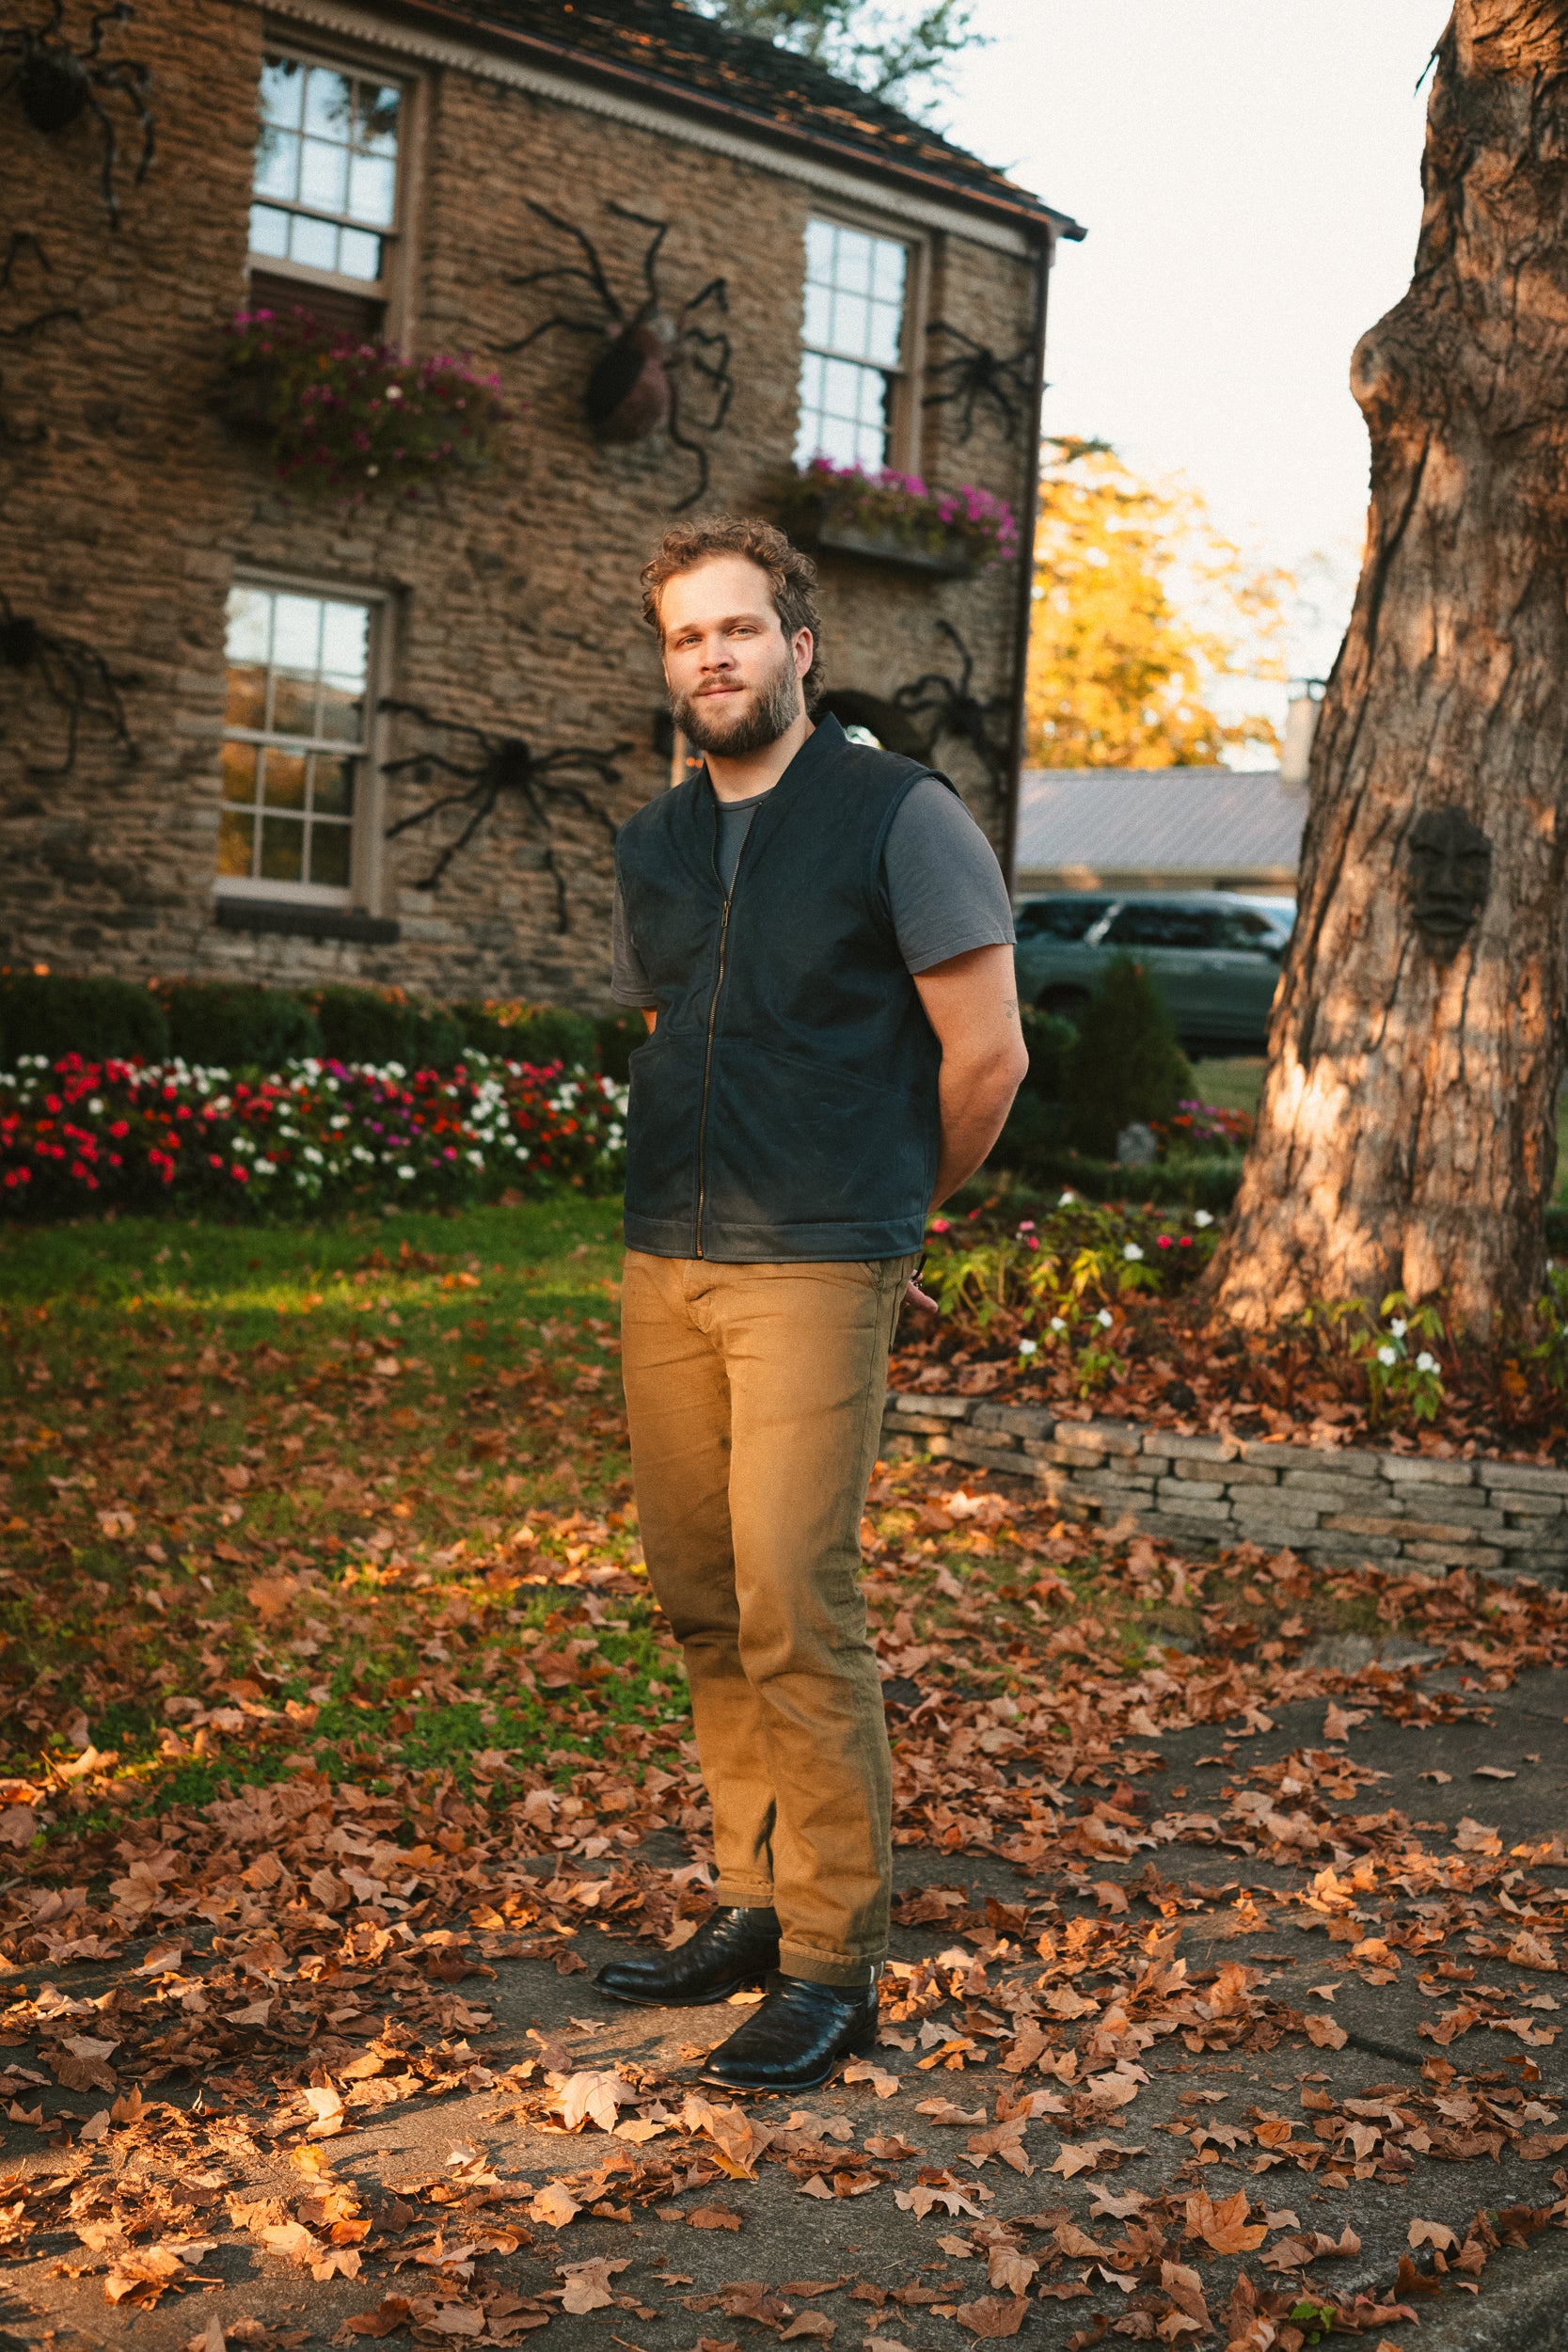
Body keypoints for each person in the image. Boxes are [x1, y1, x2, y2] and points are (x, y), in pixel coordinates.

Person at [595, 516, 1027, 2092]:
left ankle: (837, 1959)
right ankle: (754, 1903)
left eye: (738, 628)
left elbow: (988, 1057)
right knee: (705, 1591)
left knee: (794, 1595)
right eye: (684, 637)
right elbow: (680, 1020)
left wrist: (894, 1214)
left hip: (820, 1262)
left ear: (801, 644)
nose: (711, 654)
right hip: (670, 1253)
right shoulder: (653, 839)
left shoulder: (897, 814)